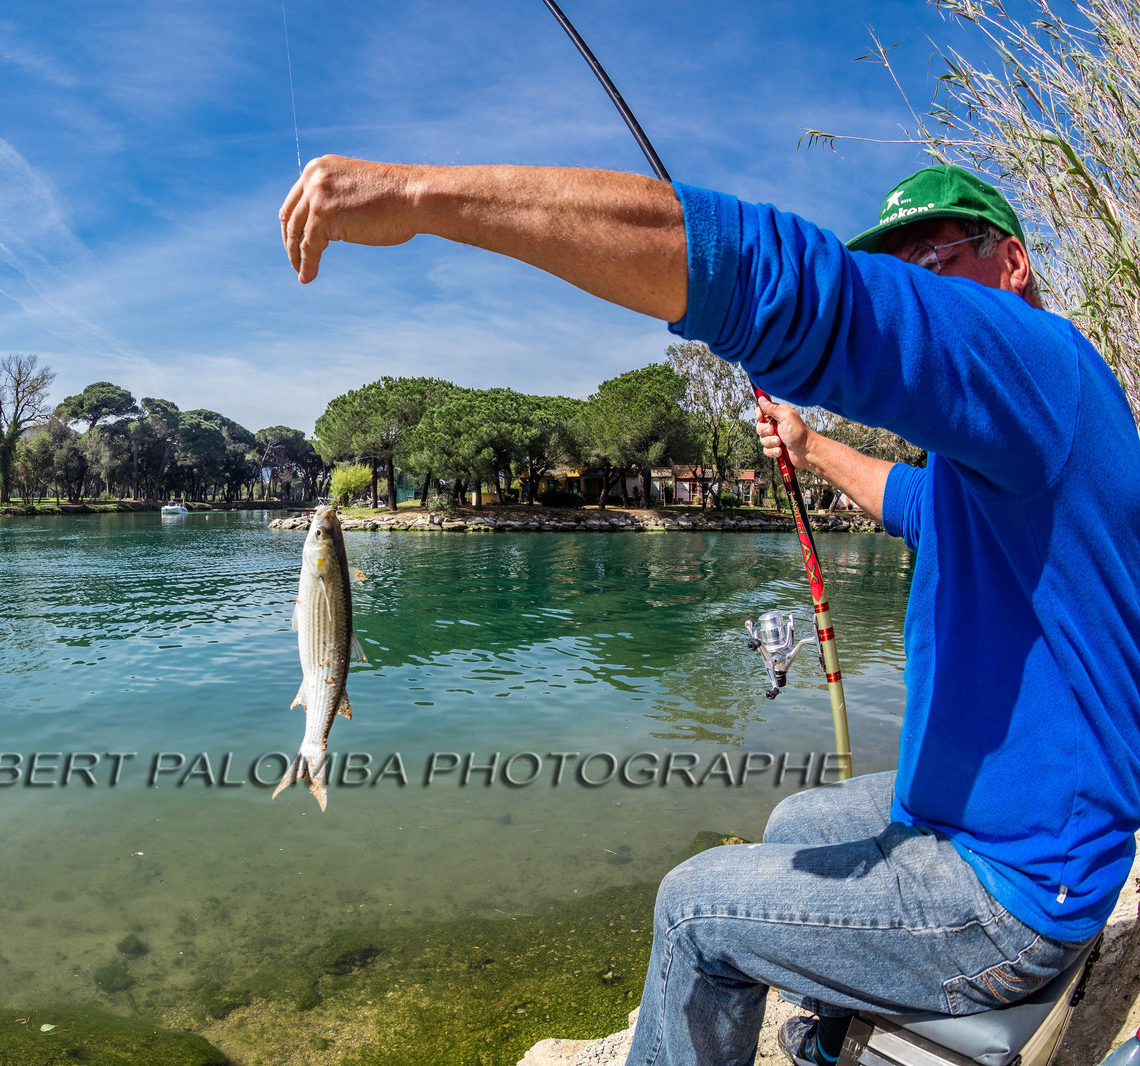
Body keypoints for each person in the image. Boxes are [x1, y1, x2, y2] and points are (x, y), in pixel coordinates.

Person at [279, 158, 1140, 1066]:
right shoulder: (1007, 459)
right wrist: (812, 449)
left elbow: (780, 282)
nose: (914, 289)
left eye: (933, 264)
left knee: (694, 908)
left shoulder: (1038, 364)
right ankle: (832, 1028)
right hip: (998, 832)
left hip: (1016, 890)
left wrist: (423, 200)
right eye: (899, 270)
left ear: (1011, 263)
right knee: (798, 827)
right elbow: (912, 505)